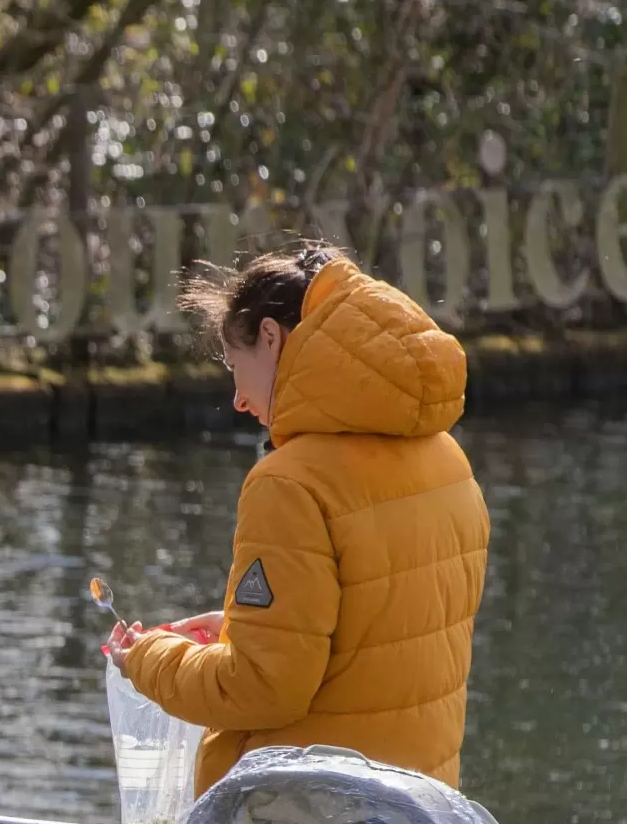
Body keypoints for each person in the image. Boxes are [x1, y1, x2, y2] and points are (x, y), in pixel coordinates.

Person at [111, 244, 488, 788]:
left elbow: (260, 688)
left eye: (235, 366)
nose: (239, 400)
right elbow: (385, 634)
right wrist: (244, 627)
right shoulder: (447, 461)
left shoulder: (288, 483)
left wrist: (147, 660)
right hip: (418, 817)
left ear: (271, 337)